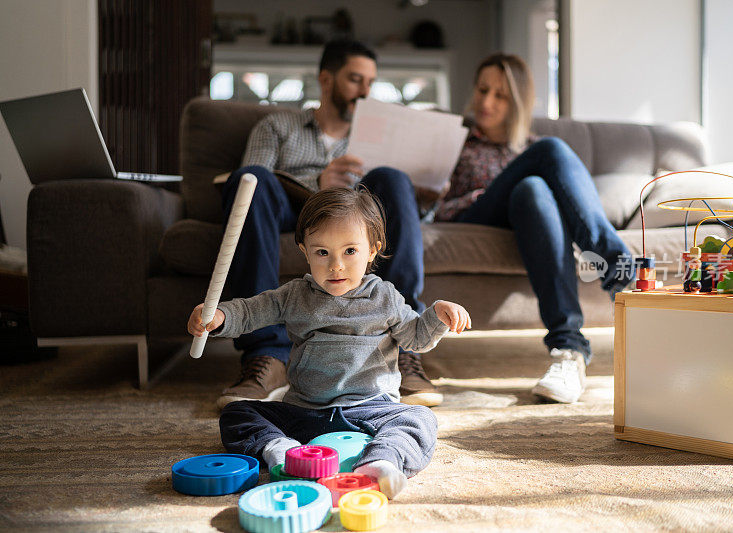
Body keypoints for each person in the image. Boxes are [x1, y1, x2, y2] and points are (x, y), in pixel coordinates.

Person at [188, 187, 471, 498]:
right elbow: (252, 310)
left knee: (420, 419)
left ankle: (382, 461)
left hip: (372, 409)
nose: (336, 265)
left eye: (350, 251)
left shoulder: (386, 297)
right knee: (237, 414)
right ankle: (281, 450)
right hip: (305, 413)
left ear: (372, 251)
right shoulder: (294, 295)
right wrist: (220, 316)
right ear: (304, 250)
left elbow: (415, 337)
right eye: (322, 252)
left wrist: (437, 316)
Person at [217, 39, 442, 410]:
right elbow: (247, 188)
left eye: (371, 82)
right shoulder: (277, 126)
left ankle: (401, 339)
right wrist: (317, 186)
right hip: (290, 209)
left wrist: (430, 199)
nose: (365, 91)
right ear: (326, 79)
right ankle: (267, 356)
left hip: (355, 218)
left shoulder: (379, 135)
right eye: (355, 79)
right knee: (252, 177)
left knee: (393, 177)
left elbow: (393, 206)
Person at [434, 54, 633, 404]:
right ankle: (621, 270)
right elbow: (437, 209)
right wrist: (488, 192)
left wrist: (517, 185)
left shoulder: (529, 147)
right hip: (476, 215)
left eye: (500, 95)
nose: (486, 102)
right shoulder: (458, 141)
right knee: (550, 151)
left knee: (533, 189)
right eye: (482, 90)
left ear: (517, 102)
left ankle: (568, 350)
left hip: (525, 215)